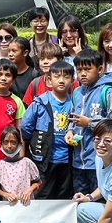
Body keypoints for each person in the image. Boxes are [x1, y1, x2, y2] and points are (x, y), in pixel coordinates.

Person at [69, 49, 112, 196]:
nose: (83, 73)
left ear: (100, 69)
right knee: (80, 200)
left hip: (99, 161)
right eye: (79, 70)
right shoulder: (76, 92)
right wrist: (69, 131)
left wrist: (90, 123)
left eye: (88, 69)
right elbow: (72, 118)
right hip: (78, 161)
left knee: (99, 200)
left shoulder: (107, 92)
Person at [20, 60, 76, 199]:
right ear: (49, 80)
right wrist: (34, 142)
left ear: (72, 80)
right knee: (43, 194)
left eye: (66, 77)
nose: (62, 81)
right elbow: (26, 127)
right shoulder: (40, 102)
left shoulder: (74, 103)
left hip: (67, 159)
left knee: (63, 195)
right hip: (44, 159)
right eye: (57, 76)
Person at [0, 126, 41, 204]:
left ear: (19, 144)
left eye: (13, 142)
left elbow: (38, 182)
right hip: (8, 207)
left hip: (27, 205)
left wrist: (30, 190)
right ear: (1, 144)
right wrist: (5, 194)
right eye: (6, 142)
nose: (9, 146)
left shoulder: (27, 163)